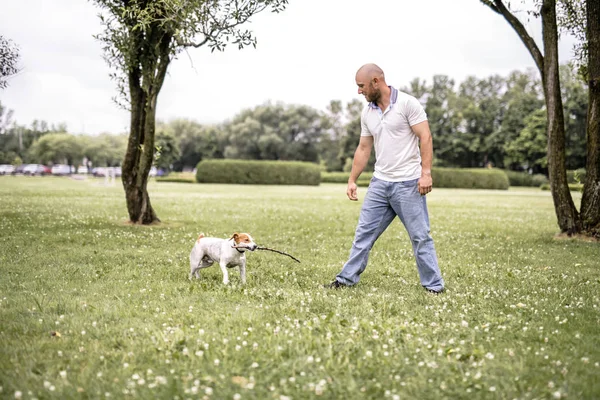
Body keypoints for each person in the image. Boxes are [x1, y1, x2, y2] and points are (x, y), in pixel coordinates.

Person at [325, 63, 445, 293]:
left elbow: (425, 137)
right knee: (363, 235)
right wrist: (352, 179)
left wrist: (426, 173)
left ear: (376, 82)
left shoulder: (407, 104)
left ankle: (434, 286)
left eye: (361, 86)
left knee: (420, 237)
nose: (359, 91)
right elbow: (363, 148)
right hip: (380, 184)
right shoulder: (367, 112)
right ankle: (345, 280)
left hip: (408, 184)